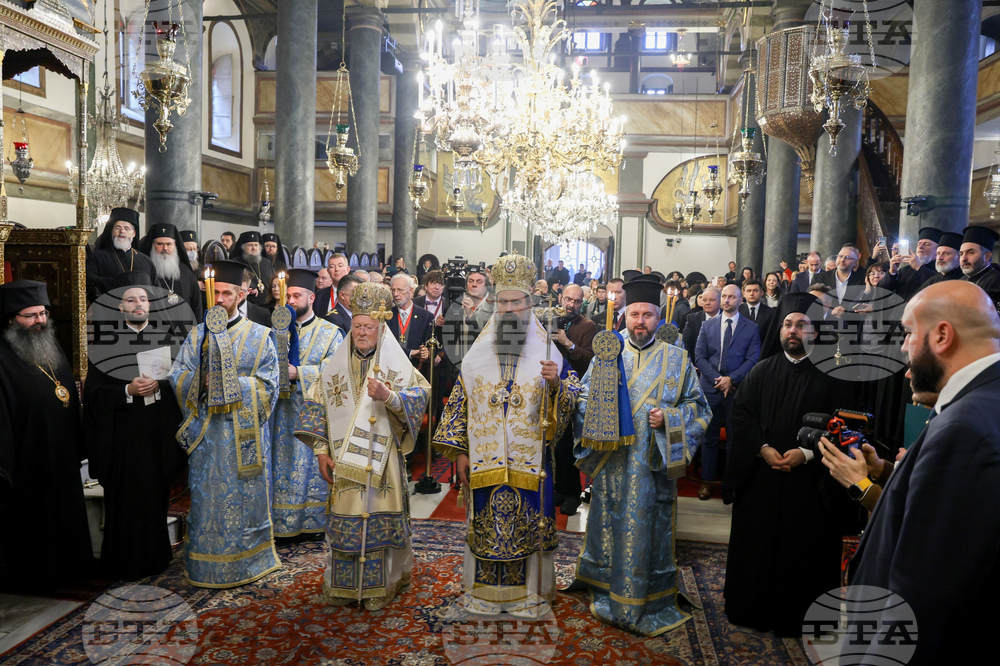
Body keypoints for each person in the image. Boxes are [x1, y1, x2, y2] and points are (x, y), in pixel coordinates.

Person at [846, 281, 1000, 664]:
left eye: (909, 334)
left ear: (942, 335)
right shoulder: (983, 401)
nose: (903, 348)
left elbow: (924, 600)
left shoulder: (965, 428)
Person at [433, 254, 581, 618]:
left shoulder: (550, 353)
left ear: (530, 304)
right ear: (495, 305)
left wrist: (556, 385)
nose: (510, 309)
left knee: (527, 529)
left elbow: (573, 400)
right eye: (503, 302)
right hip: (484, 464)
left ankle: (527, 597)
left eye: (517, 302)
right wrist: (461, 452)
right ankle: (485, 595)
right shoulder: (474, 357)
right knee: (486, 529)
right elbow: (459, 404)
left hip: (530, 467)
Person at [573, 274, 710, 636]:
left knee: (645, 526)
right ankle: (603, 585)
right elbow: (583, 400)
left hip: (651, 465)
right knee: (608, 522)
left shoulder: (677, 359)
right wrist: (600, 415)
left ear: (657, 318)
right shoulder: (607, 353)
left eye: (648, 315)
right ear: (624, 315)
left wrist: (670, 419)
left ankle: (645, 593)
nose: (640, 322)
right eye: (634, 315)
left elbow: (700, 409)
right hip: (612, 461)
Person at [723, 293, 858, 637]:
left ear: (814, 331)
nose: (793, 330)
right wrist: (763, 448)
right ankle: (752, 610)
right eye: (787, 324)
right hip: (762, 479)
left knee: (805, 552)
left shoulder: (836, 376)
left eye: (801, 324)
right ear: (780, 330)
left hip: (811, 484)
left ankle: (801, 617)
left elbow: (845, 426)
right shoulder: (761, 371)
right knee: (759, 547)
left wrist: (808, 454)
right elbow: (742, 415)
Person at [295, 282, 429, 608]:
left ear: (381, 328)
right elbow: (315, 402)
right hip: (344, 461)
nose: (362, 333)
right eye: (357, 326)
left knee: (380, 518)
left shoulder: (395, 362)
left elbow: (420, 394)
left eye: (369, 327)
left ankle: (382, 586)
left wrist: (390, 397)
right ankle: (344, 586)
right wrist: (321, 451)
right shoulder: (337, 365)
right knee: (346, 519)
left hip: (385, 462)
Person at [169, 260, 281, 588]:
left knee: (245, 498)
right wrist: (200, 383)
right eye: (214, 292)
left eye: (227, 293)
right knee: (205, 498)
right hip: (208, 435)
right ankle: (205, 563)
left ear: (242, 295)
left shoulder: (260, 337)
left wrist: (232, 385)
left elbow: (269, 384)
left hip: (243, 435)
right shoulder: (197, 334)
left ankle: (249, 561)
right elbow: (178, 374)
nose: (219, 298)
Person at [83, 272, 187, 580]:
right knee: (125, 503)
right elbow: (94, 395)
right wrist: (126, 391)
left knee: (154, 499)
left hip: (156, 435)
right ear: (120, 307)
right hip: (122, 439)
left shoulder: (166, 338)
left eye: (143, 299)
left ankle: (156, 557)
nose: (138, 304)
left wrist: (162, 385)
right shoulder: (105, 343)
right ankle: (122, 563)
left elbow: (181, 384)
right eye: (131, 299)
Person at [0, 280, 93, 590]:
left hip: (61, 452)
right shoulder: (3, 358)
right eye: (30, 315)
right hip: (27, 455)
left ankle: (72, 567)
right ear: (11, 317)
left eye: (43, 313)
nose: (40, 321)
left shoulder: (49, 346)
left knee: (65, 511)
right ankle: (37, 577)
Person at [269, 269, 345, 537]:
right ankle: (279, 523)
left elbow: (336, 370)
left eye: (296, 295)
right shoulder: (273, 332)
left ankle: (312, 523)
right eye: (287, 295)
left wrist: (299, 373)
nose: (290, 300)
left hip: (311, 414)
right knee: (280, 465)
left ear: (311, 297)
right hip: (279, 414)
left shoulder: (330, 332)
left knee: (309, 466)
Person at [694, 284, 760, 500]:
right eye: (724, 296)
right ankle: (707, 482)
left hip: (737, 390)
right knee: (709, 438)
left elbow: (753, 358)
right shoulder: (707, 325)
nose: (727, 300)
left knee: (734, 439)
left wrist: (731, 379)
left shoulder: (751, 328)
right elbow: (700, 357)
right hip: (711, 389)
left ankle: (730, 484)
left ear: (741, 300)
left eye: (732, 297)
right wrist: (718, 380)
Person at [551, 284, 597, 515]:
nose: (571, 304)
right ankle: (558, 488)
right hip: (548, 388)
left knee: (567, 445)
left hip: (572, 390)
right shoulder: (550, 319)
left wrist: (568, 343)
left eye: (577, 301)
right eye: (568, 299)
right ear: (560, 298)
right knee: (552, 444)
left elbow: (590, 360)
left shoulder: (588, 326)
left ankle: (572, 493)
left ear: (582, 303)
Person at [139, 222, 205, 322]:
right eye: (160, 244)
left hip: (185, 330)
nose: (165, 248)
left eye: (169, 244)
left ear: (175, 246)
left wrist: (198, 328)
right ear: (152, 245)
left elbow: (197, 303)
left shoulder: (185, 271)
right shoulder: (145, 270)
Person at [86, 207, 155, 301]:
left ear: (134, 233)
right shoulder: (98, 257)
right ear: (112, 231)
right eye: (118, 228)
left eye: (127, 229)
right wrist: (113, 283)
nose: (122, 232)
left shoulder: (146, 260)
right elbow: (88, 280)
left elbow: (154, 289)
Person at [387, 273, 433, 370]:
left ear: (411, 290)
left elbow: (429, 349)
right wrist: (411, 352)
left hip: (417, 370)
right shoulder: (386, 316)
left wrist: (425, 353)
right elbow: (385, 345)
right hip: (391, 369)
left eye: (400, 290)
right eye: (393, 290)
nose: (395, 294)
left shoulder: (426, 316)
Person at [881, 227, 940, 300]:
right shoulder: (905, 270)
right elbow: (882, 291)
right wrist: (892, 272)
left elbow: (938, 287)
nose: (920, 247)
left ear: (937, 251)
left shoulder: (940, 271)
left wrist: (919, 268)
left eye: (926, 244)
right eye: (919, 244)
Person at [227, 231, 275, 308]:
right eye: (250, 245)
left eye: (256, 245)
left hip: (269, 306)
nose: (253, 248)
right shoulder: (235, 262)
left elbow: (274, 280)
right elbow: (234, 280)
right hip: (248, 306)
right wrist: (251, 286)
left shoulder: (266, 262)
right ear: (243, 247)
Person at [814, 244, 866, 309]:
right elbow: (811, 302)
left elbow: (862, 303)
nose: (842, 260)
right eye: (840, 256)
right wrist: (830, 312)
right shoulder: (819, 278)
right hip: (826, 317)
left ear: (855, 263)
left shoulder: (862, 279)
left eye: (847, 258)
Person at [960, 225, 1000, 290]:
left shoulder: (996, 280)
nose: (964, 258)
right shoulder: (962, 280)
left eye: (971, 252)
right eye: (961, 254)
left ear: (987, 256)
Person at [682, 286, 720, 352]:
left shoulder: (727, 318)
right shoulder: (692, 319)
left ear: (720, 301)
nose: (707, 303)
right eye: (704, 300)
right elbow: (687, 344)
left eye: (712, 300)